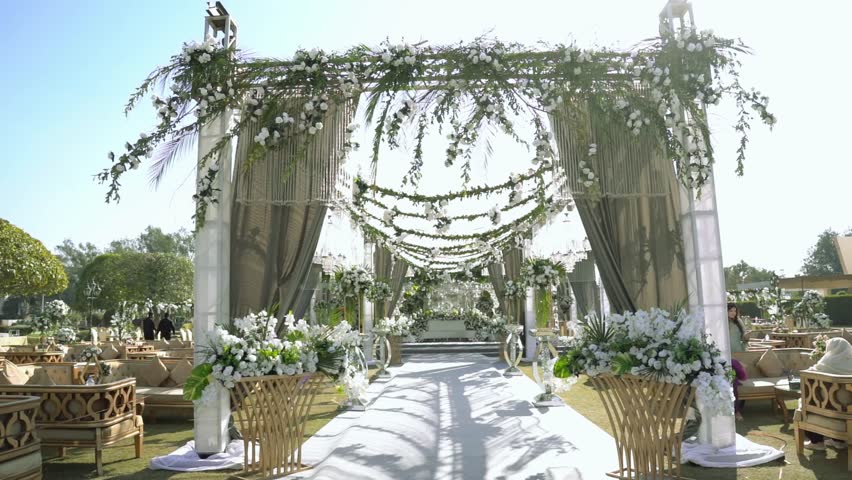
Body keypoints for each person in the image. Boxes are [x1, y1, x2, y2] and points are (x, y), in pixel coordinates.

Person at [803, 337, 852, 450]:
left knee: (806, 401)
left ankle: (816, 442)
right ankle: (838, 441)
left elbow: (808, 373)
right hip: (848, 407)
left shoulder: (827, 362)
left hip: (830, 406)